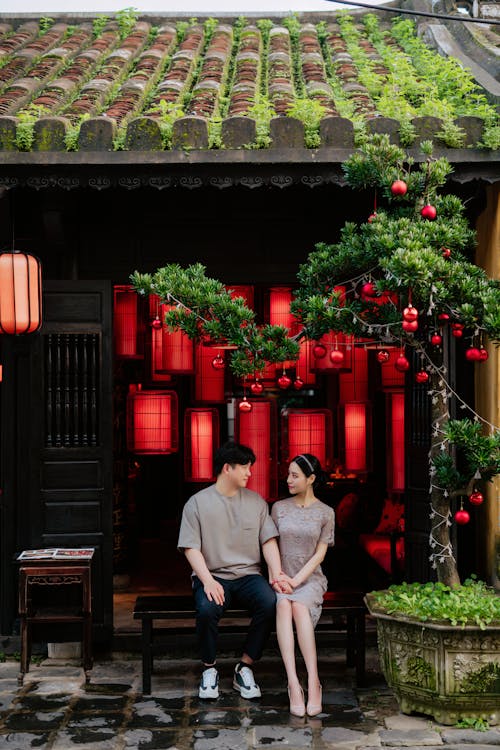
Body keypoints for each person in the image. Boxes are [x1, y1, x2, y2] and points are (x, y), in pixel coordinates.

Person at [178, 440, 291, 700]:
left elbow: (268, 541)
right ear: (227, 468)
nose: (249, 473)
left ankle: (245, 666)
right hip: (213, 575)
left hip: (249, 575)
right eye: (245, 467)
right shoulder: (197, 503)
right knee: (206, 610)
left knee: (270, 603)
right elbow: (190, 548)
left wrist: (276, 572)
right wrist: (207, 581)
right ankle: (209, 669)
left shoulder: (256, 502)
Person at [271, 453, 335, 717]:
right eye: (288, 474)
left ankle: (313, 681)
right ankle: (293, 684)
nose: (289, 480)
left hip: (309, 580)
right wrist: (280, 576)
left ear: (311, 479)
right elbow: (270, 545)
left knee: (297, 607)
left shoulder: (326, 512)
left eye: (295, 475)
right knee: (285, 606)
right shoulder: (278, 508)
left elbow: (320, 555)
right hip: (281, 576)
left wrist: (296, 581)